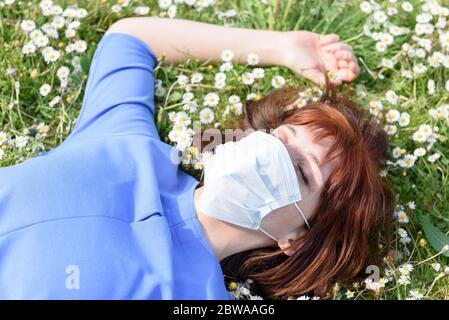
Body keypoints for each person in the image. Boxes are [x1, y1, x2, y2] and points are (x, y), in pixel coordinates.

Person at [0, 17, 387, 299]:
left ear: (296, 240)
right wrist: (282, 47)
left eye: (302, 172)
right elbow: (131, 38)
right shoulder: (129, 141)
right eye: (283, 137)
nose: (276, 152)